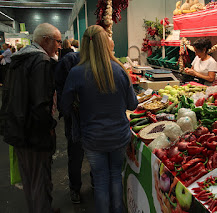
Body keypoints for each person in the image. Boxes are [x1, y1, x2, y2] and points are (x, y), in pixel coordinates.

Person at [61, 25, 138, 213]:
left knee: (101, 180)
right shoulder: (120, 70)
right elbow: (133, 105)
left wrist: (79, 104)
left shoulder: (76, 73)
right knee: (115, 176)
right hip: (119, 136)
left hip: (93, 137)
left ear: (85, 45)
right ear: (106, 44)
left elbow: (63, 106)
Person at [0, 23, 62, 213]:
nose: (59, 46)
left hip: (18, 128)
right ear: (46, 40)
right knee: (39, 180)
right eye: (57, 41)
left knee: (29, 179)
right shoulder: (41, 61)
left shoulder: (19, 59)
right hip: (34, 133)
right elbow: (40, 103)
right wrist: (50, 125)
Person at [55, 51, 83, 203]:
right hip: (75, 119)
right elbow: (62, 92)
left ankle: (80, 188)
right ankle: (75, 189)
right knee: (76, 155)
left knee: (81, 154)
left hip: (86, 118)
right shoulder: (71, 61)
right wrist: (69, 110)